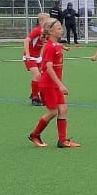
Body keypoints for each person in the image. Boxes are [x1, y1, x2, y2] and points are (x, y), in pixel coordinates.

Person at [29, 19, 79, 148]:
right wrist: (60, 84)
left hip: (54, 84)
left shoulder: (55, 45)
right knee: (52, 112)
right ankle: (34, 134)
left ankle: (62, 141)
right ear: (50, 32)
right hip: (48, 85)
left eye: (61, 27)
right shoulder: (50, 47)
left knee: (63, 109)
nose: (61, 30)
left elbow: (56, 46)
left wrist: (63, 47)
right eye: (58, 28)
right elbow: (49, 68)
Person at [23, 12, 51, 103]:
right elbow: (26, 40)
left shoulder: (46, 31)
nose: (49, 21)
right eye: (48, 20)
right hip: (30, 57)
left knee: (42, 76)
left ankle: (34, 93)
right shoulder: (37, 30)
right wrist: (27, 54)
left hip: (38, 57)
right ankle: (35, 98)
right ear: (41, 21)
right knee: (37, 75)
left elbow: (47, 44)